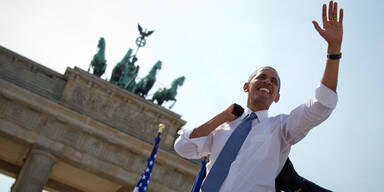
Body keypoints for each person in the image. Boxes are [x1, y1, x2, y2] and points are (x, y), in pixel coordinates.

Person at [174, 1, 343, 191]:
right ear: (247, 86)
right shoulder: (222, 127)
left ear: (276, 96)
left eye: (274, 81)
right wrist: (222, 117)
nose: (268, 82)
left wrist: (334, 50)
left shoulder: (281, 128)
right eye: (261, 77)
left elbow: (322, 104)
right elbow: (184, 147)